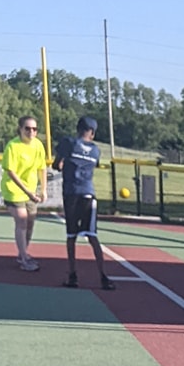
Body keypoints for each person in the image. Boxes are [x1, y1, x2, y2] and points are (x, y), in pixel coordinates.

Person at [53, 117, 113, 291]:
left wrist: (62, 164)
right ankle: (103, 276)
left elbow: (57, 164)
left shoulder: (68, 142)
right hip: (88, 193)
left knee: (71, 236)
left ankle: (73, 275)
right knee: (92, 236)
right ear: (92, 133)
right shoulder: (96, 151)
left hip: (71, 193)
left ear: (78, 128)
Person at [0, 115, 47, 272]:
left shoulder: (38, 145)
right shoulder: (12, 146)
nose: (31, 132)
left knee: (30, 223)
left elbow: (42, 168)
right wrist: (27, 191)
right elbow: (11, 172)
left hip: (31, 191)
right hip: (14, 190)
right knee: (22, 221)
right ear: (20, 129)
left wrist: (43, 189)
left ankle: (22, 253)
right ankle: (24, 258)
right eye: (27, 128)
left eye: (34, 129)